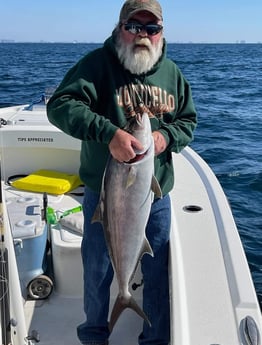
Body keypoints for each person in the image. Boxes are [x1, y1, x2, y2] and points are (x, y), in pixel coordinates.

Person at [47, 0, 197, 344]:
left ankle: (156, 338)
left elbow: (188, 122)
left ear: (161, 32)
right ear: (120, 28)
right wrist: (109, 133)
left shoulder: (172, 73)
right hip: (107, 194)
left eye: (152, 28)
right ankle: (94, 336)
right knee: (98, 271)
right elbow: (60, 106)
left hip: (154, 195)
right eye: (134, 26)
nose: (143, 35)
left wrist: (165, 137)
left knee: (157, 271)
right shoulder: (97, 65)